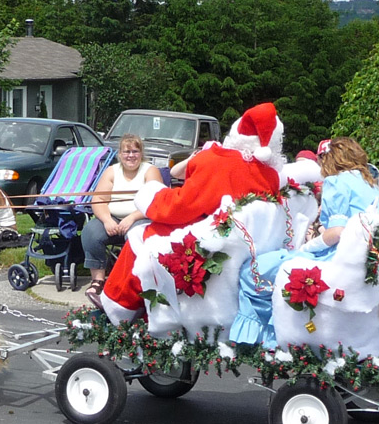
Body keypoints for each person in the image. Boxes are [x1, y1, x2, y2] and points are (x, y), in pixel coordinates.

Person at [99, 102, 286, 325]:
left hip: (207, 244)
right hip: (240, 245)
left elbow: (179, 208)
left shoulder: (218, 162)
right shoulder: (271, 176)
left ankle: (119, 306)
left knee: (143, 234)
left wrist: (151, 195)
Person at [231, 137, 379, 346]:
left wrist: (308, 246)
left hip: (338, 259)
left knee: (254, 270)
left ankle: (267, 337)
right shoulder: (369, 184)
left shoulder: (337, 181)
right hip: (365, 262)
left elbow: (337, 232)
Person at [83, 134, 162, 307]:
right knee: (90, 231)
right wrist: (106, 220)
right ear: (120, 154)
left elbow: (156, 201)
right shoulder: (112, 171)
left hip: (141, 218)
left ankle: (131, 283)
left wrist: (131, 217)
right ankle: (98, 281)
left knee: (135, 237)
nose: (131, 155)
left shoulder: (150, 171)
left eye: (135, 151)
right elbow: (98, 200)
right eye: (127, 151)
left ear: (141, 153)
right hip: (112, 218)